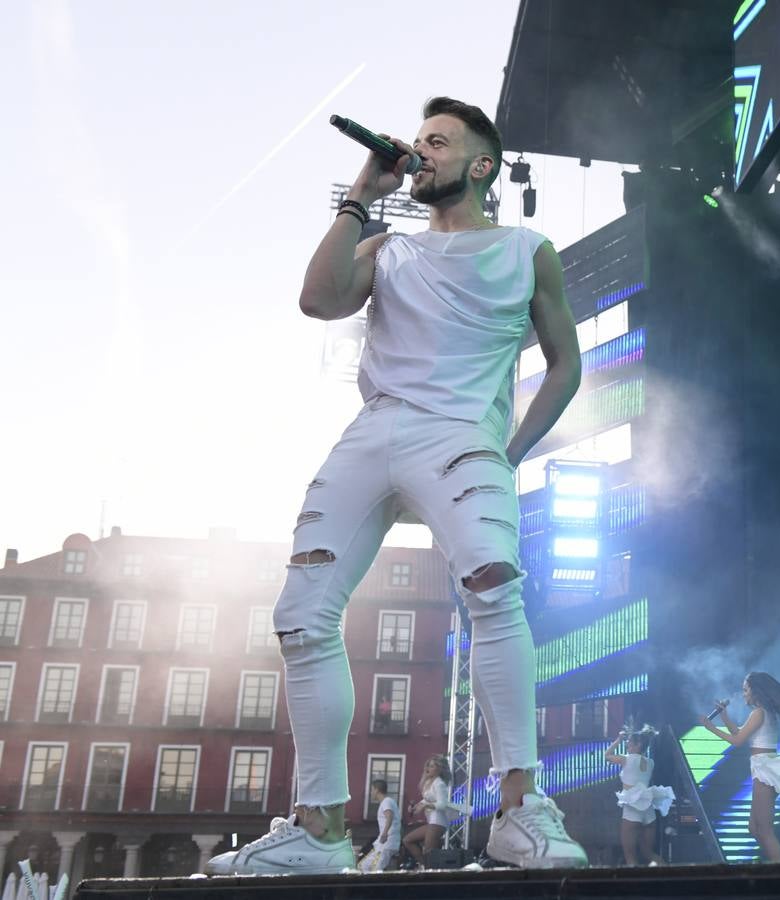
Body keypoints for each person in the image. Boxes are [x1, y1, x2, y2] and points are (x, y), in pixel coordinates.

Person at [204, 96, 586, 876]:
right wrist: (360, 194)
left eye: (437, 142)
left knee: (492, 588)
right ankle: (317, 831)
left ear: (481, 166)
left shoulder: (526, 248)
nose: (420, 151)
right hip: (373, 431)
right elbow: (316, 300)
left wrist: (506, 451)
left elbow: (565, 364)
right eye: (416, 141)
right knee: (301, 614)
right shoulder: (387, 249)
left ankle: (518, 810)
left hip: (460, 438)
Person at [699, 672, 780, 861]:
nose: (743, 694)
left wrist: (711, 728)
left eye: (746, 690)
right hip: (761, 767)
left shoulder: (759, 713)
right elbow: (740, 733)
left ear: (755, 691)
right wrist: (724, 717)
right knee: (754, 828)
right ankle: (772, 865)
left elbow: (737, 741)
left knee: (764, 830)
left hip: (765, 769)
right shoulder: (761, 713)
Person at [605, 729, 673, 865]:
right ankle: (668, 876)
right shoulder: (650, 763)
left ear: (638, 744)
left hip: (632, 808)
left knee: (630, 857)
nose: (627, 745)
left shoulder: (626, 759)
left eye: (629, 743)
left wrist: (618, 739)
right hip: (648, 810)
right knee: (649, 854)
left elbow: (607, 755)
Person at [402, 755, 457, 867]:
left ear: (439, 769)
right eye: (428, 765)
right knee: (407, 840)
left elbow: (442, 804)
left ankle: (429, 869)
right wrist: (414, 808)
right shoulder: (428, 783)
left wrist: (425, 805)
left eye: (431, 766)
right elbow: (425, 801)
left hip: (438, 822)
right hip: (432, 822)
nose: (428, 768)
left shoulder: (439, 784)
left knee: (429, 852)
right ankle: (426, 866)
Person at [358, 779, 400, 872]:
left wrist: (385, 833)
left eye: (372, 789)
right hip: (382, 844)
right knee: (363, 866)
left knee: (375, 869)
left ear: (377, 790)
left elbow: (389, 816)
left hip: (386, 844)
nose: (371, 792)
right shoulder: (388, 802)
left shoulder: (386, 801)